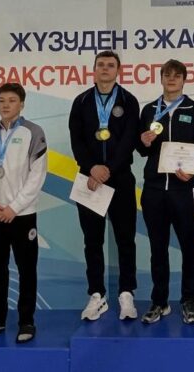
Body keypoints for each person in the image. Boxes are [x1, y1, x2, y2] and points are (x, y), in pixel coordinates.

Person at [0, 83, 48, 343]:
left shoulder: (33, 132)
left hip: (22, 215)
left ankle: (26, 321)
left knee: (27, 269)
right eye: (2, 100)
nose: (5, 105)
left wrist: (14, 207)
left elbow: (37, 176)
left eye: (12, 100)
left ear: (22, 104)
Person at [69, 50, 140, 321]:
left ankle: (126, 293)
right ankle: (96, 294)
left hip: (120, 179)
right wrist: (92, 168)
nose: (105, 69)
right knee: (92, 241)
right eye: (101, 65)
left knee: (125, 239)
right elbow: (77, 140)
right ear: (94, 69)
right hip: (89, 180)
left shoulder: (129, 101)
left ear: (118, 70)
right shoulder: (81, 101)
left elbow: (129, 140)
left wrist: (108, 169)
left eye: (111, 65)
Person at [137, 60, 194, 325]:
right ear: (161, 78)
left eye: (177, 75)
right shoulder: (149, 110)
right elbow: (141, 149)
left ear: (184, 79)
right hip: (154, 189)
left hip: (183, 190)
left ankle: (189, 300)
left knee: (189, 248)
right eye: (167, 75)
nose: (172, 79)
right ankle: (159, 301)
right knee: (158, 248)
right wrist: (143, 142)